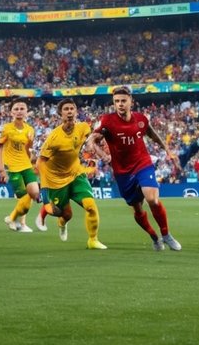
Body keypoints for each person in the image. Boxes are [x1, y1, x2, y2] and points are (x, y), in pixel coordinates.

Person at [90, 86, 182, 252]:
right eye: (116, 101)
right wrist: (104, 156)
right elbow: (92, 140)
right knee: (137, 209)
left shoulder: (140, 119)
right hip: (122, 171)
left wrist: (168, 150)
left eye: (123, 101)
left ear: (131, 101)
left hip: (142, 163)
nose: (120, 104)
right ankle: (154, 236)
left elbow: (152, 134)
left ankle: (166, 234)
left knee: (152, 199)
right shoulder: (107, 121)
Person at [34, 99, 106, 249]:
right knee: (66, 215)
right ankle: (61, 223)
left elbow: (91, 140)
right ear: (60, 114)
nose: (69, 112)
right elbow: (40, 163)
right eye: (66, 109)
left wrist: (97, 150)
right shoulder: (54, 138)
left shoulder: (83, 128)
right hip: (57, 179)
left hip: (76, 174)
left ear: (76, 111)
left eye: (72, 109)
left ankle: (93, 240)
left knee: (91, 207)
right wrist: (44, 190)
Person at [0, 98, 39, 233]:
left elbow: (28, 149)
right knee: (23, 196)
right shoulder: (6, 129)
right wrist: (1, 169)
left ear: (27, 112)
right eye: (16, 109)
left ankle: (12, 218)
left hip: (26, 165)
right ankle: (21, 223)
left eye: (22, 109)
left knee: (34, 193)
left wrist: (32, 157)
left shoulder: (30, 129)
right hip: (13, 167)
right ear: (11, 112)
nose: (19, 111)